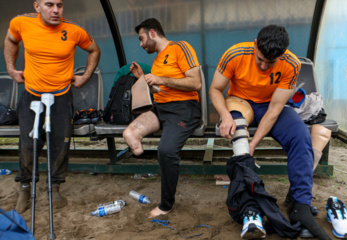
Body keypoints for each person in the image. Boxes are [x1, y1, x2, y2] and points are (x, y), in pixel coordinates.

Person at [209, 25, 331, 239]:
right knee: (239, 136)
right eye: (260, 60)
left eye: (270, 62)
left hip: (270, 105)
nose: (264, 66)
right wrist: (225, 115)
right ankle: (248, 205)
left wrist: (255, 142)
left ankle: (300, 204)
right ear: (255, 43)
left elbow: (275, 109)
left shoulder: (291, 63)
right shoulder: (235, 53)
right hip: (239, 102)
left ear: (282, 54)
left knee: (301, 135)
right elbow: (215, 89)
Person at [4, 0, 100, 213]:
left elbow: (94, 50)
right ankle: (25, 187)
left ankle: (55, 187)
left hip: (61, 97)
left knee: (60, 145)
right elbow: (11, 40)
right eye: (49, 5)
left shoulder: (74, 30)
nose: (56, 10)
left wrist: (85, 77)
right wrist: (11, 69)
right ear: (37, 6)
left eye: (59, 5)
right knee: (28, 145)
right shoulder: (21, 23)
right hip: (32, 95)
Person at [123, 18, 202, 218]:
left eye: (141, 39)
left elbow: (196, 83)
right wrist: (143, 78)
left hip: (184, 108)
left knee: (166, 151)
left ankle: (166, 204)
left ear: (152, 33)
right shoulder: (158, 60)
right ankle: (144, 155)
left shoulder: (180, 48)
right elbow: (159, 89)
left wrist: (159, 79)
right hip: (161, 108)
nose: (140, 44)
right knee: (129, 133)